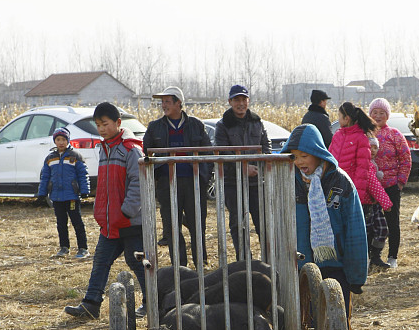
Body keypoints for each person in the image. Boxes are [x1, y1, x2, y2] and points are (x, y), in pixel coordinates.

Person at [64, 103, 147, 319]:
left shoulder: (131, 149)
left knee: (137, 262)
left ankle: (153, 301)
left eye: (105, 124)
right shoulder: (104, 148)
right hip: (110, 222)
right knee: (100, 260)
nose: (101, 129)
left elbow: (138, 184)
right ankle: (91, 304)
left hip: (131, 221)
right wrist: (101, 212)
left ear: (118, 123)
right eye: (98, 125)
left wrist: (126, 212)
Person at [281, 124, 368, 316]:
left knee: (337, 319)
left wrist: (356, 276)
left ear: (317, 153)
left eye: (304, 155)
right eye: (294, 156)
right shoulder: (287, 181)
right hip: (300, 268)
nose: (299, 162)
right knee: (307, 322)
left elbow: (355, 231)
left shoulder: (340, 182)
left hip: (335, 267)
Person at [142, 85, 212, 267]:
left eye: (167, 101)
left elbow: (208, 153)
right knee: (172, 226)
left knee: (198, 224)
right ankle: (179, 266)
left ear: (178, 103)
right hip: (167, 183)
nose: (163, 105)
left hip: (193, 183)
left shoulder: (196, 125)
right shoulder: (155, 127)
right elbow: (147, 153)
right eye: (162, 102)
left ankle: (200, 262)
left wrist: (203, 177)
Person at [215, 84, 270, 261]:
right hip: (233, 183)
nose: (241, 103)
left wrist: (261, 165)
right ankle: (244, 261)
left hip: (256, 183)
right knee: (239, 224)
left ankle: (269, 261)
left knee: (263, 223)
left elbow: (266, 146)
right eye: (236, 100)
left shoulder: (257, 122)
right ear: (230, 101)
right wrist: (243, 167)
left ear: (248, 101)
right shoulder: (223, 125)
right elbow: (222, 151)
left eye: (243, 99)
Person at [368, 97, 412, 268]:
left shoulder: (394, 134)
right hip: (370, 186)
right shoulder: (366, 134)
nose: (378, 116)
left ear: (387, 116)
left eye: (382, 113)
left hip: (391, 185)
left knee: (392, 221)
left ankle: (392, 256)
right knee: (372, 222)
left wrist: (401, 181)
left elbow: (405, 158)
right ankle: (372, 256)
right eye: (375, 113)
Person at [37, 126, 90, 259]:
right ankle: (64, 247)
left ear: (68, 140)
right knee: (61, 223)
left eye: (63, 139)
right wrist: (42, 192)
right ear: (55, 141)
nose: (61, 142)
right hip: (56, 197)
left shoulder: (75, 156)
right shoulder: (50, 158)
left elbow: (83, 174)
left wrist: (84, 190)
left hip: (71, 196)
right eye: (58, 139)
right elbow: (45, 177)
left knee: (77, 222)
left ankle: (83, 248)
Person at [360, 136, 394, 270]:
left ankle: (375, 256)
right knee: (367, 232)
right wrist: (386, 202)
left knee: (382, 229)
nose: (373, 150)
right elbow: (373, 185)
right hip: (365, 204)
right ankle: (366, 259)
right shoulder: (366, 164)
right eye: (370, 147)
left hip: (374, 204)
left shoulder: (373, 163)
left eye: (375, 147)